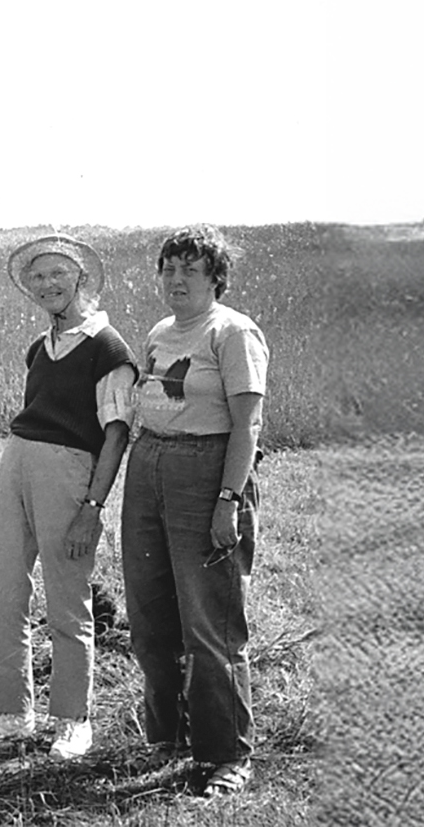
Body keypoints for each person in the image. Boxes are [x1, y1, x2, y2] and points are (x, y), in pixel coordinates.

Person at [0, 235, 137, 760]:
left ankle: (72, 720)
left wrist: (92, 508)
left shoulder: (108, 347)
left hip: (69, 473)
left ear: (81, 278)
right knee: (4, 592)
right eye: (37, 278)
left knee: (67, 599)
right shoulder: (40, 348)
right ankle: (14, 714)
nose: (47, 285)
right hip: (17, 459)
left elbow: (116, 434)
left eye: (57, 274)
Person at [121, 227, 268, 796]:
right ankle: (167, 738)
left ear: (216, 278)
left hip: (207, 471)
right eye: (169, 269)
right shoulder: (161, 332)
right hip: (150, 463)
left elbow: (248, 426)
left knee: (210, 620)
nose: (177, 280)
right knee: (151, 612)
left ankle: (227, 754)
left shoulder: (233, 332)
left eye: (191, 270)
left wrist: (228, 501)